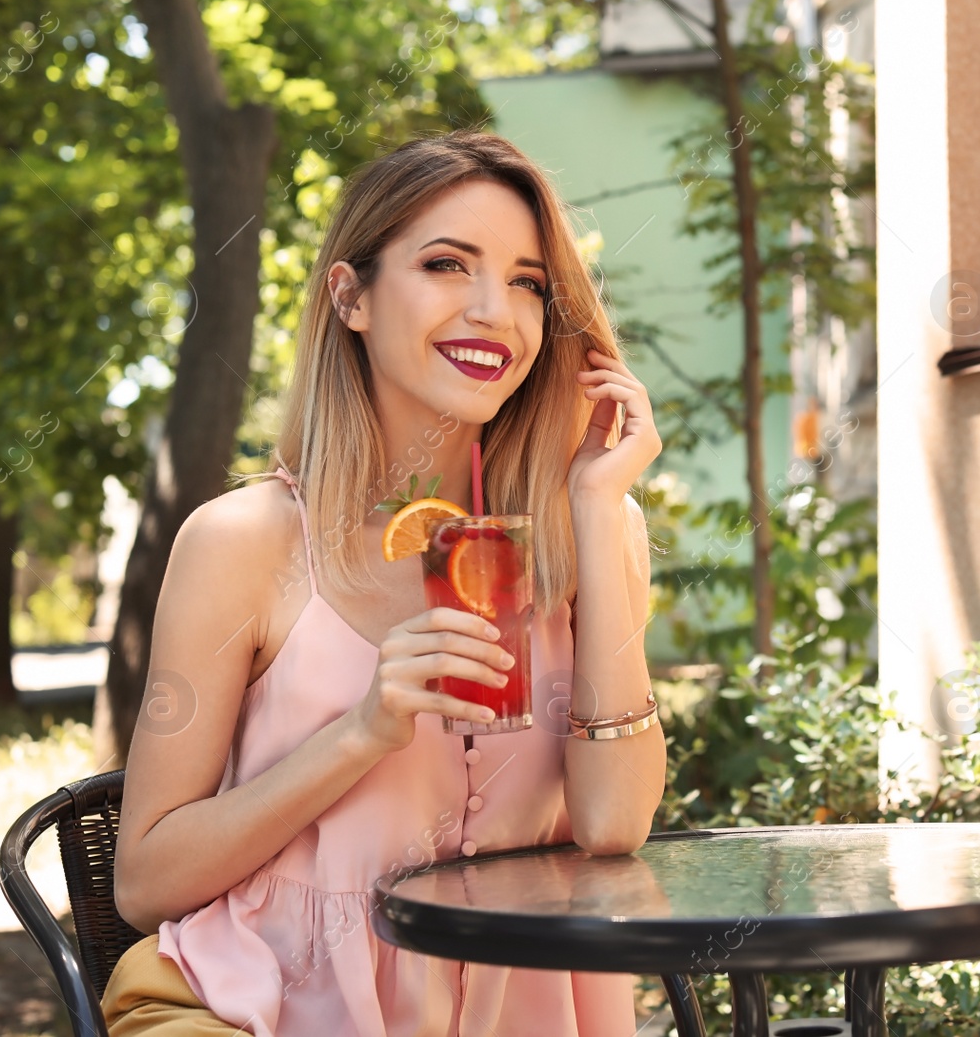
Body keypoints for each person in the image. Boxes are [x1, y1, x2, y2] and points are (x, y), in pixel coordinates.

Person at [103, 129, 667, 1036]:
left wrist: (600, 509)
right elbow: (144, 881)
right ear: (351, 296)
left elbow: (611, 824)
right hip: (257, 1009)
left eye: (528, 281)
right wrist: (362, 731)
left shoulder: (590, 533)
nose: (496, 310)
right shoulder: (244, 542)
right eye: (448, 264)